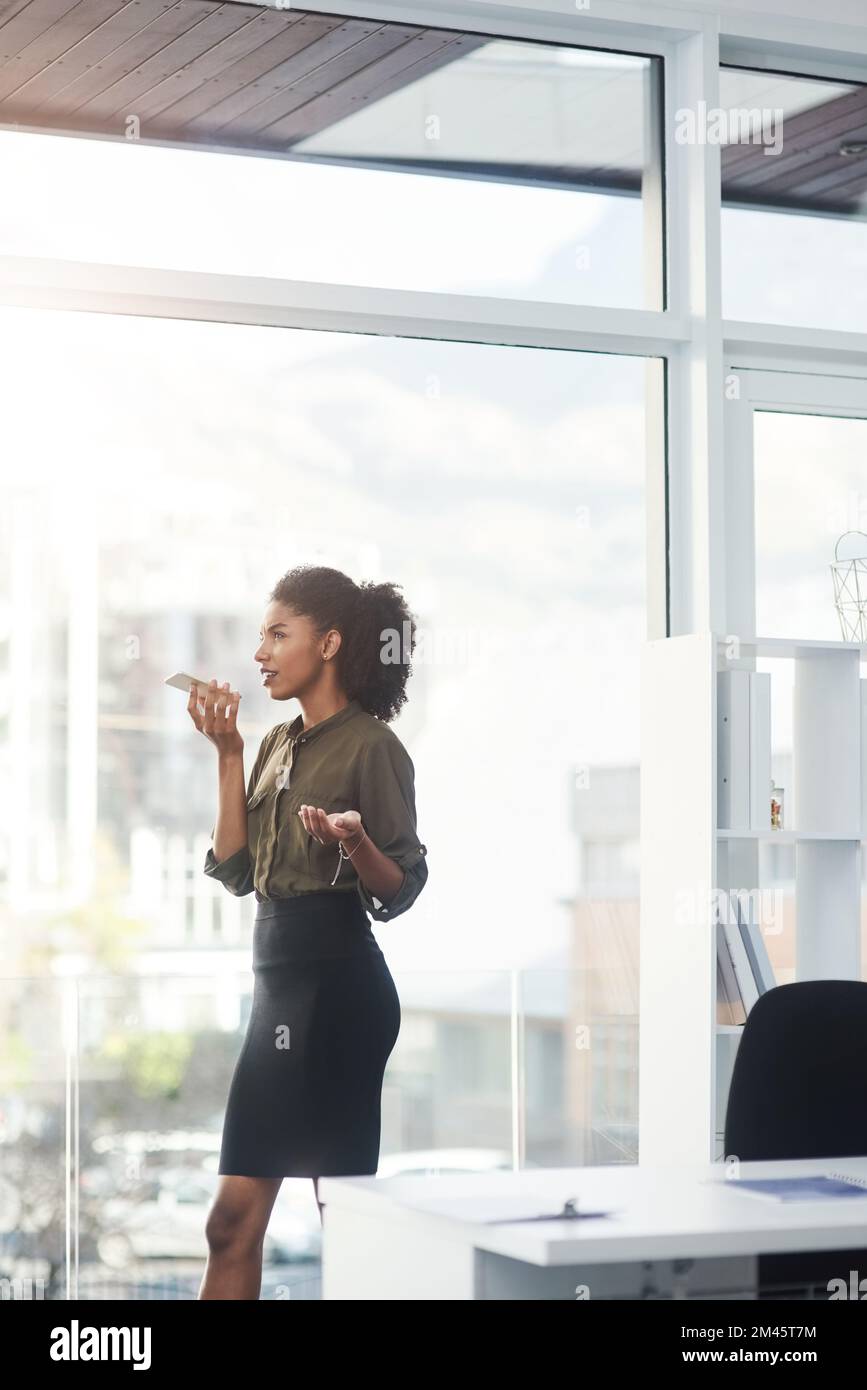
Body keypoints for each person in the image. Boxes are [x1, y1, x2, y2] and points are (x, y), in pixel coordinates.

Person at [190, 564, 427, 1300]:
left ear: (327, 643)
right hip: (277, 992)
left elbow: (402, 885)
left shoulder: (371, 747)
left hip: (337, 988)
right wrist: (228, 754)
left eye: (276, 634)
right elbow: (234, 868)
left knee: (343, 1220)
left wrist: (354, 843)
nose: (259, 652)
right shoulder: (272, 744)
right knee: (230, 1226)